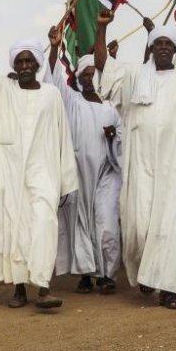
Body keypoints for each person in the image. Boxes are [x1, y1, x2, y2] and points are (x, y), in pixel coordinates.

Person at [92, 10, 176, 310]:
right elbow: (103, 66)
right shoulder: (133, 76)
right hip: (139, 165)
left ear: (175, 49)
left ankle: (168, 288)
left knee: (167, 227)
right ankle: (146, 271)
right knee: (139, 226)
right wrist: (102, 29)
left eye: (169, 43)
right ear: (151, 48)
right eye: (159, 43)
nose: (164, 47)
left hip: (173, 165)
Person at [0, 16, 77, 309]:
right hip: (10, 175)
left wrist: (64, 180)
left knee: (43, 225)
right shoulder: (2, 90)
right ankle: (19, 290)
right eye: (20, 62)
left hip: (44, 174)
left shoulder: (51, 96)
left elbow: (62, 137)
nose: (25, 66)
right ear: (14, 66)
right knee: (14, 229)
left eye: (30, 61)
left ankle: (43, 288)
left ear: (38, 65)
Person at [45, 31, 122, 294]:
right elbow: (54, 81)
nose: (89, 79)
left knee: (107, 223)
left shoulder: (112, 107)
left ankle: (108, 274)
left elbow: (123, 136)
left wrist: (114, 138)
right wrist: (55, 49)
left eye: (93, 74)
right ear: (78, 79)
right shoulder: (73, 102)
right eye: (85, 75)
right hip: (78, 174)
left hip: (107, 173)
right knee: (80, 226)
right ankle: (87, 275)